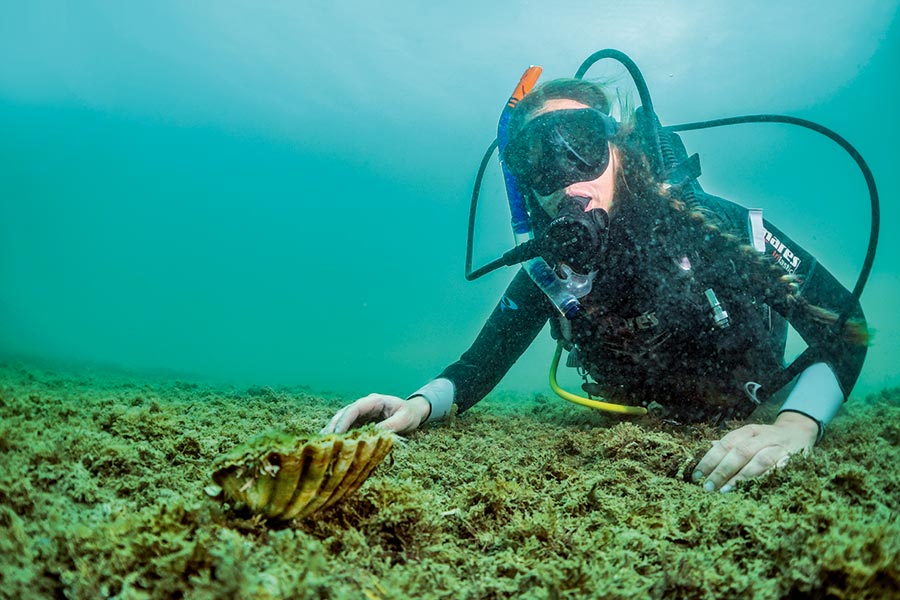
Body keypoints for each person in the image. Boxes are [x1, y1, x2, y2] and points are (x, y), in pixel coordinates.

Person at [322, 77, 868, 494]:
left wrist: (797, 425)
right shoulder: (550, 271)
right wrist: (419, 404)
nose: (564, 175)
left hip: (746, 393)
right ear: (523, 187)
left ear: (620, 150)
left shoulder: (712, 227)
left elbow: (846, 326)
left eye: (581, 143)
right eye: (538, 159)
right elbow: (478, 366)